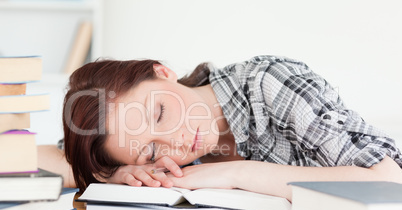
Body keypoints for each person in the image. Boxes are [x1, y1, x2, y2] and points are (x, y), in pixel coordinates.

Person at [55, 55, 402, 201]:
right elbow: (31, 159)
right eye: (151, 150)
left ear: (162, 71)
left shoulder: (270, 83)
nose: (174, 142)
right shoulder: (153, 159)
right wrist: (113, 173)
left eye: (159, 113)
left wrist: (237, 173)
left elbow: (390, 181)